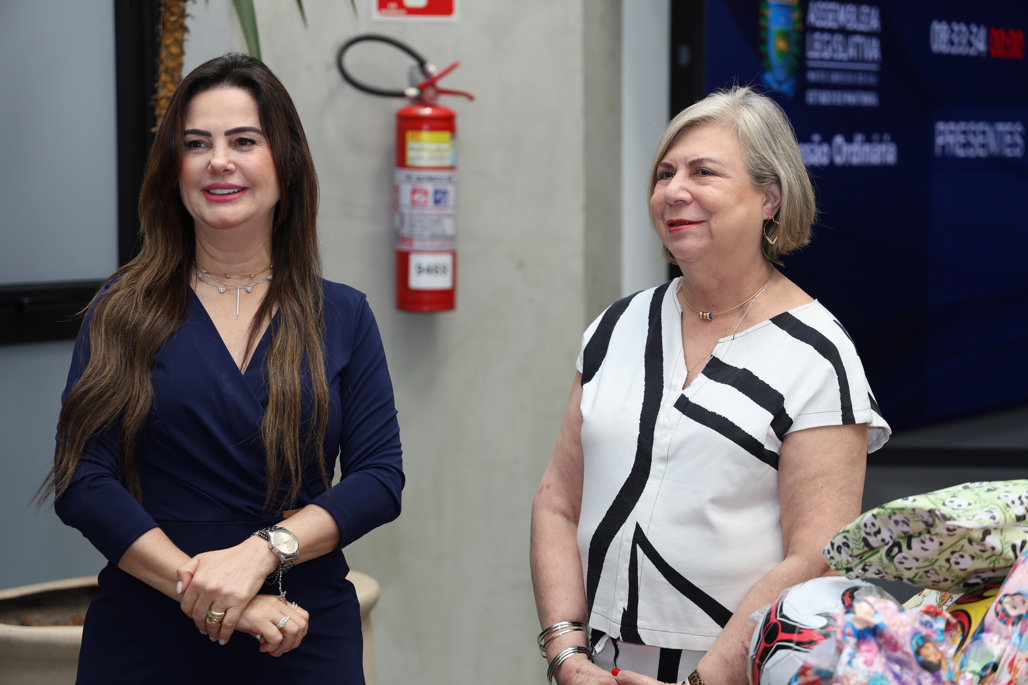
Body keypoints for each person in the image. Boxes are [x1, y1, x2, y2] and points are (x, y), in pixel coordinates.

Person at [39, 53, 404, 684]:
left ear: (285, 163)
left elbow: (378, 479)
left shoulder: (343, 314)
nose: (219, 161)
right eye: (196, 144)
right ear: (173, 170)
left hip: (299, 634)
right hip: (145, 636)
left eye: (244, 141)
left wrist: (261, 555)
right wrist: (212, 591)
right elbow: (84, 481)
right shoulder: (121, 310)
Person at [530, 85, 889, 685]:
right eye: (664, 173)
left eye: (703, 172)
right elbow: (557, 504)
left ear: (769, 198)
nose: (674, 191)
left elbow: (817, 557)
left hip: (738, 671)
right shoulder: (617, 327)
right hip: (596, 667)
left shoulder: (816, 354)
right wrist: (567, 656)